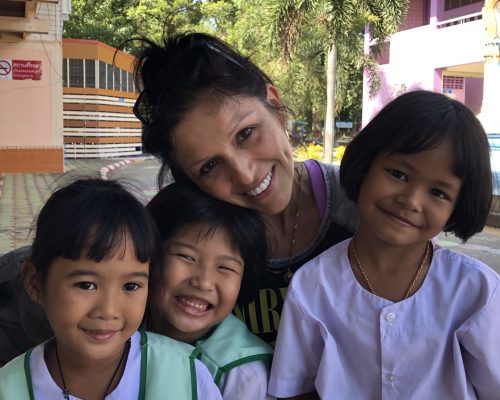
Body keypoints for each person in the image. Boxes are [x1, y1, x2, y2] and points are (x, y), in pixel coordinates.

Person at [268, 90, 500, 399]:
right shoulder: (313, 286)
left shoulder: (475, 291)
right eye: (398, 173)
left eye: (438, 193)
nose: (411, 200)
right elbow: (293, 389)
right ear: (366, 164)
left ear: (457, 207)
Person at [133, 31, 358, 345]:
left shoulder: (362, 206)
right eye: (209, 166)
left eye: (246, 134)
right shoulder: (183, 239)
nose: (245, 173)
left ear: (275, 106)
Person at [0, 178, 222, 400]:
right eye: (86, 285)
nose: (108, 310)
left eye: (131, 286)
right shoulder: (9, 388)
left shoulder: (186, 377)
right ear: (35, 282)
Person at [146, 182, 274, 400]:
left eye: (225, 268)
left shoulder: (243, 375)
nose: (203, 282)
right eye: (187, 257)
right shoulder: (117, 329)